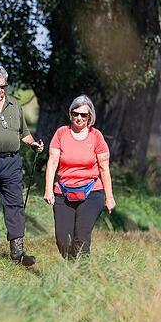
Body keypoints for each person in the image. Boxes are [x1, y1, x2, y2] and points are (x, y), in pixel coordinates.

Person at [0, 65, 44, 265]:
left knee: (15, 205)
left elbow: (24, 134)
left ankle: (17, 253)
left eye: (2, 87)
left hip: (12, 162)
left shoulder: (14, 104)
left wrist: (33, 144)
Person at [43, 95, 115, 259]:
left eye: (84, 115)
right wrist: (48, 190)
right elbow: (53, 162)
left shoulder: (96, 137)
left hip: (91, 193)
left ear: (90, 117)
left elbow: (104, 168)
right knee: (63, 240)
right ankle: (74, 269)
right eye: (76, 113)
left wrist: (109, 197)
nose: (79, 118)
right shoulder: (61, 133)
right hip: (63, 192)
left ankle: (82, 274)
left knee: (81, 239)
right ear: (70, 114)